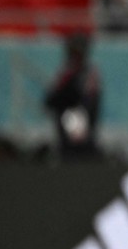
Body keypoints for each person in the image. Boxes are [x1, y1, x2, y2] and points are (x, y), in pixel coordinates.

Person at [44, 32, 102, 161]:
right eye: (73, 53)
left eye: (78, 53)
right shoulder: (65, 75)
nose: (75, 57)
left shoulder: (89, 76)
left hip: (84, 137)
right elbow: (50, 101)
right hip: (66, 140)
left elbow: (90, 104)